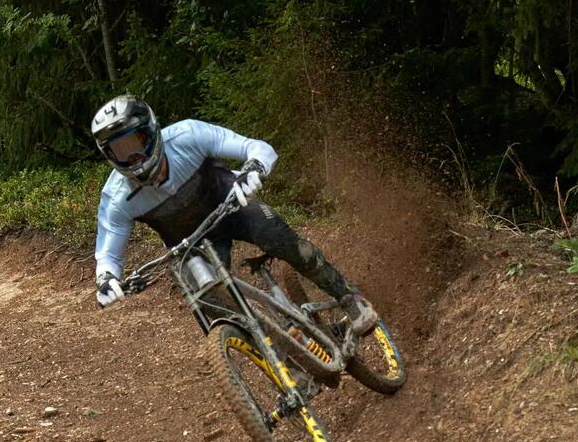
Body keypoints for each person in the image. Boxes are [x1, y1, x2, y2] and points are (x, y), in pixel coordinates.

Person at [90, 94, 378, 334]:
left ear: (152, 131)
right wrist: (107, 280)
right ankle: (278, 354)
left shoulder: (188, 136)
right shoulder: (116, 198)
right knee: (210, 304)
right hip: (191, 246)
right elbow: (108, 257)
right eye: (120, 151)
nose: (133, 157)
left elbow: (257, 148)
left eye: (136, 142)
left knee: (276, 236)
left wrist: (254, 168)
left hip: (233, 207)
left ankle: (348, 297)